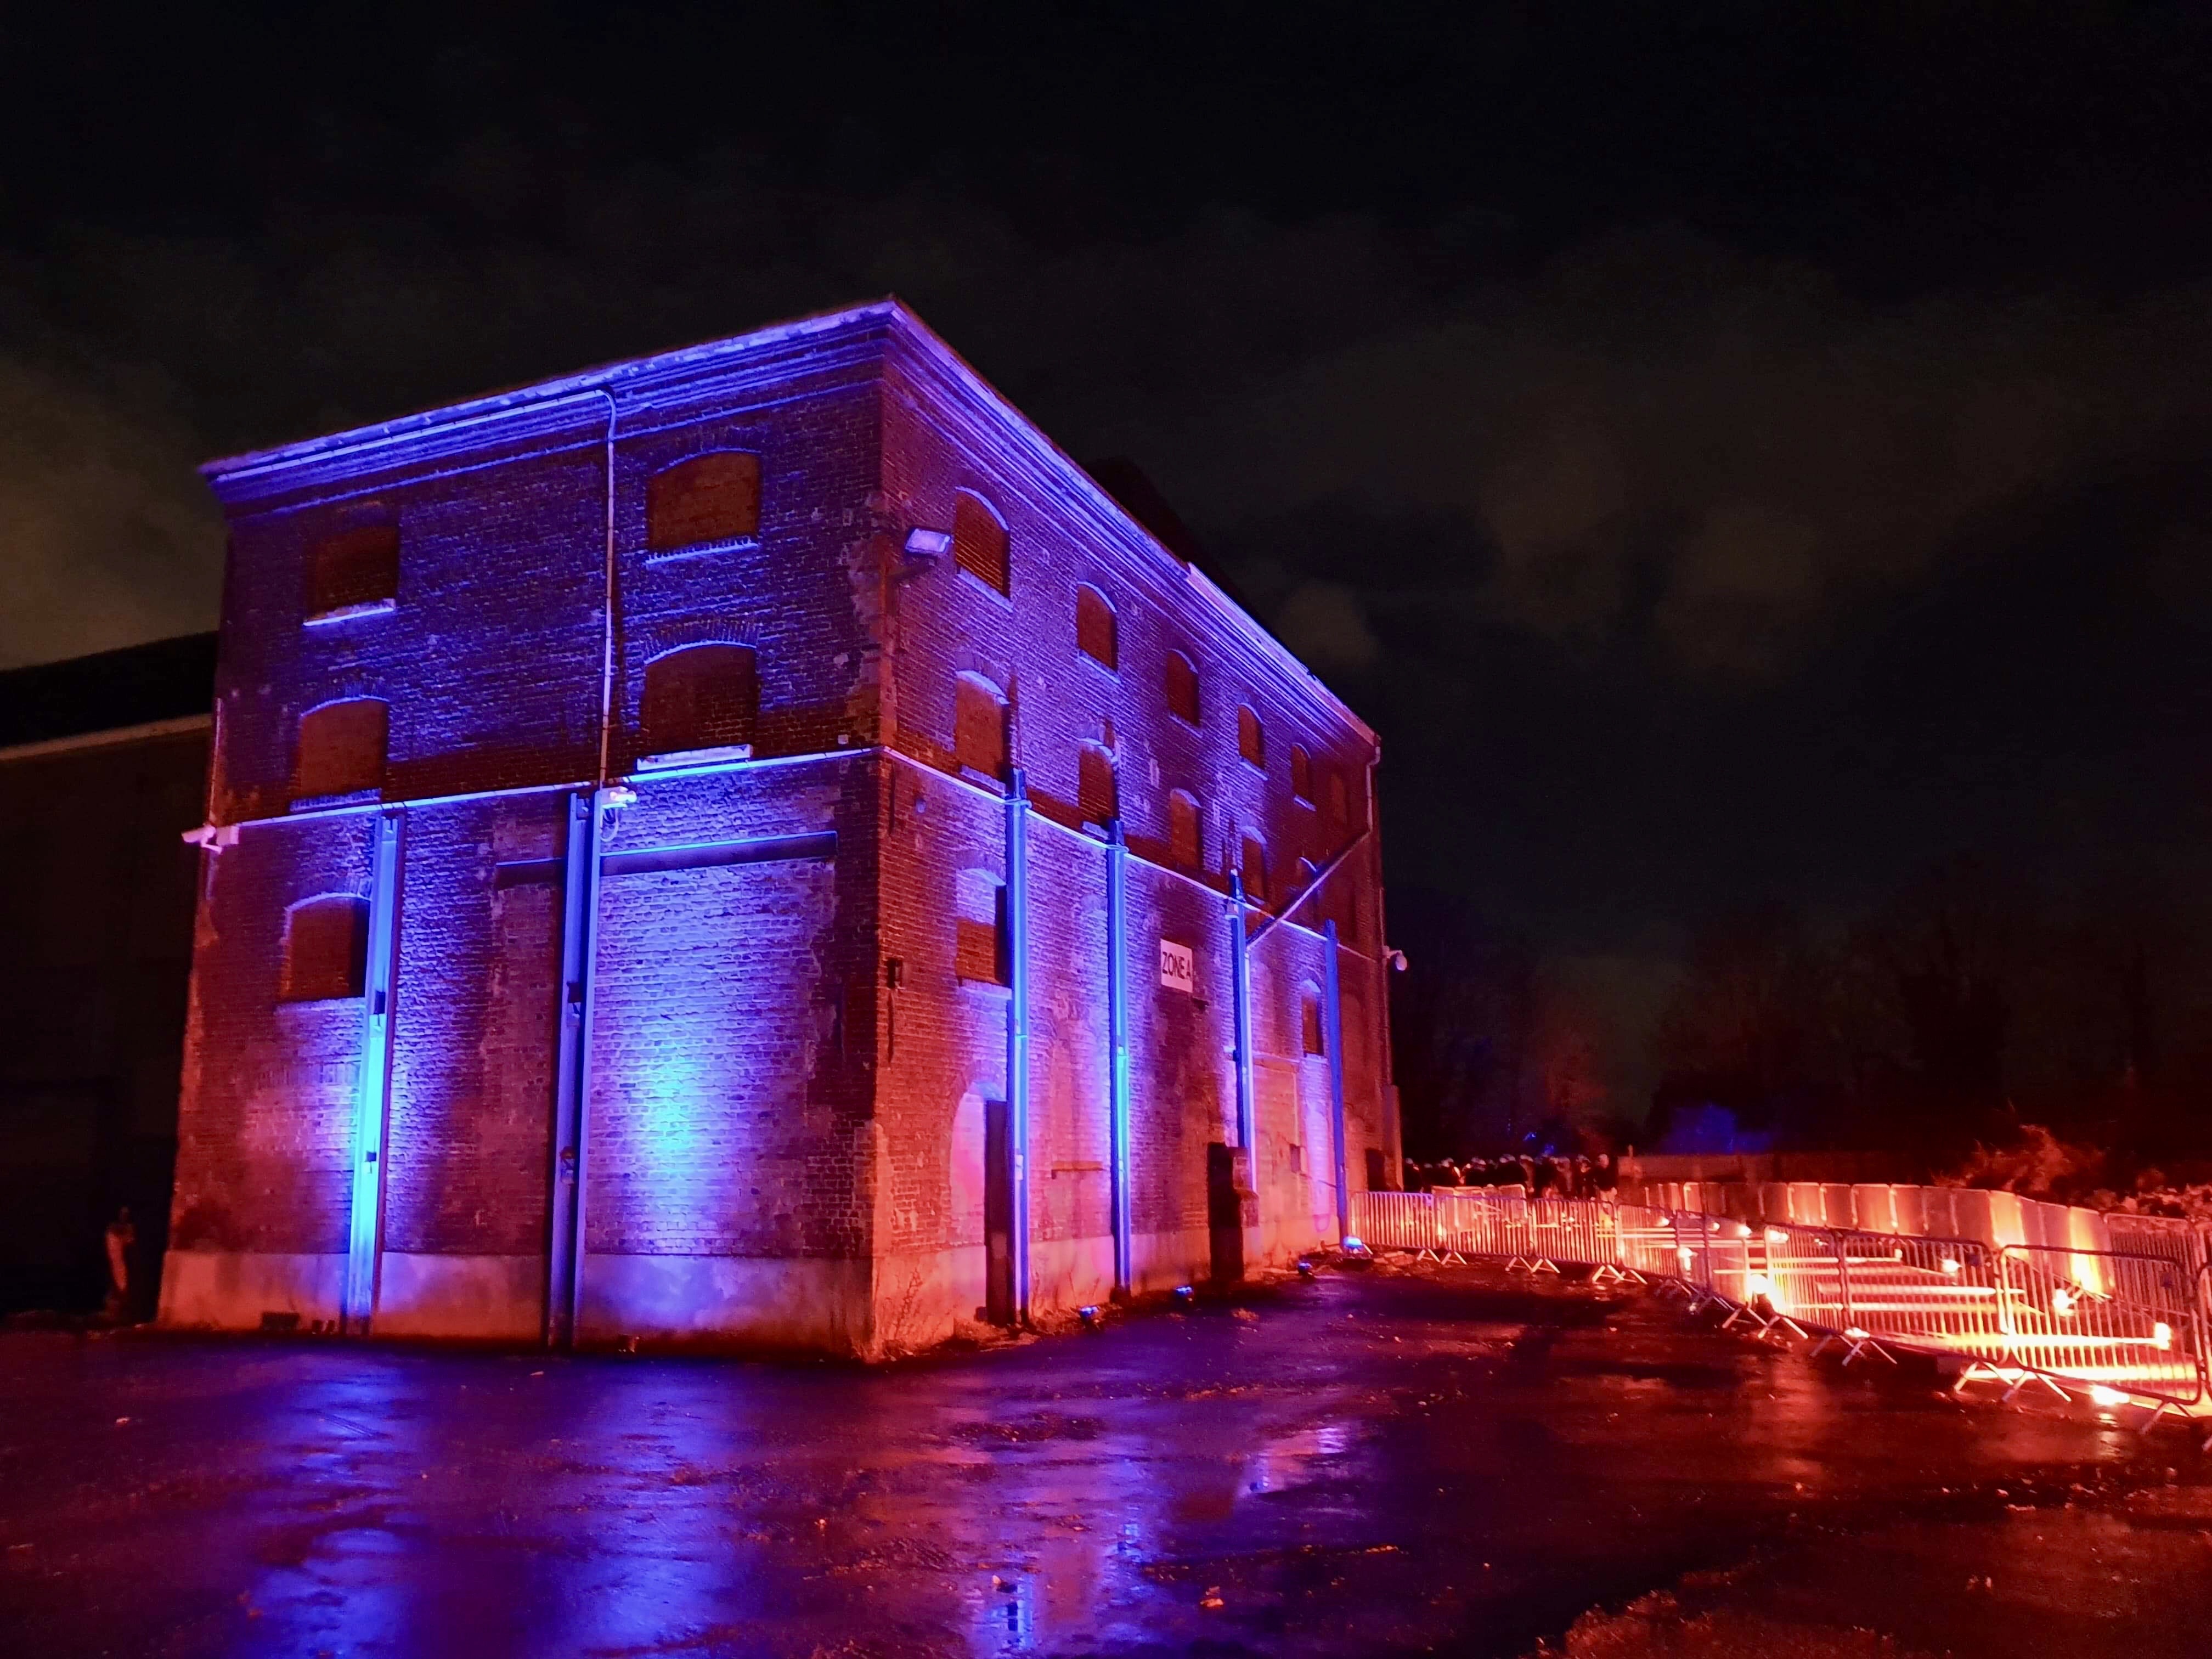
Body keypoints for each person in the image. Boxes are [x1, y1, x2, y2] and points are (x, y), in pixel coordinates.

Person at [104, 1207, 136, 1323]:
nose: (124, 1216)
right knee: (118, 1280)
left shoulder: (127, 1229)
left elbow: (130, 1241)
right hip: (117, 1261)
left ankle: (121, 1311)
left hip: (123, 1262)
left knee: (122, 1281)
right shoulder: (114, 1229)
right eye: (122, 1214)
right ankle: (115, 1311)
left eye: (126, 1214)